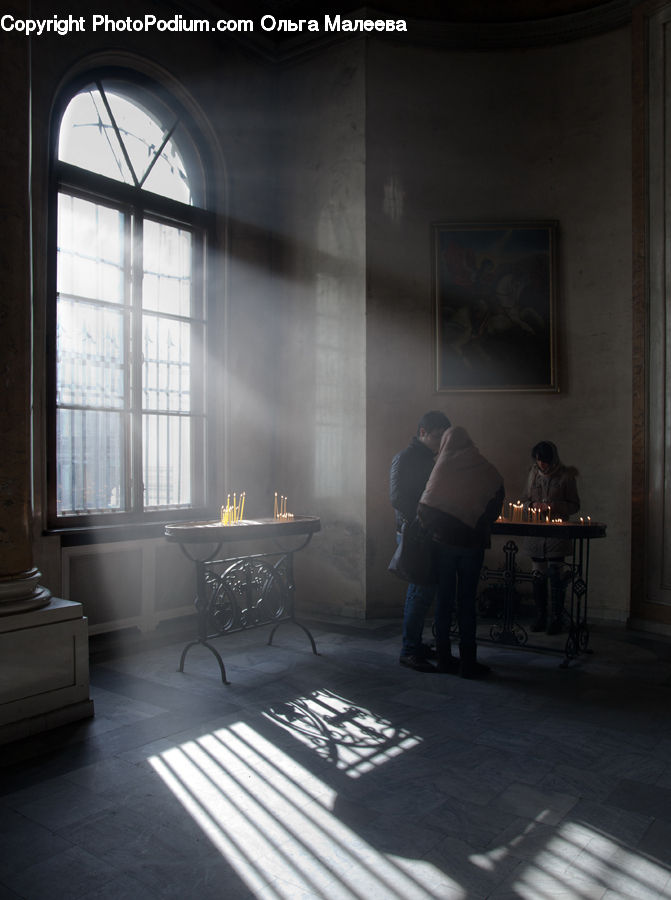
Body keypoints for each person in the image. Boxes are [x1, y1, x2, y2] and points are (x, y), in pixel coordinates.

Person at [417, 426, 504, 679]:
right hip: (473, 545)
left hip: (443, 545)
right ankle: (468, 661)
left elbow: (425, 507)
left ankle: (444, 658)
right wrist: (475, 522)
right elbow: (495, 502)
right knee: (467, 603)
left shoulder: (442, 468)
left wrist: (439, 530)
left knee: (444, 601)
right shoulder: (485, 469)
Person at [390, 410, 451, 672]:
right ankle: (409, 650)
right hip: (415, 532)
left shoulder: (428, 457)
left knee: (424, 593)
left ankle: (415, 643)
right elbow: (397, 498)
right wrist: (421, 520)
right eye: (438, 436)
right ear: (423, 432)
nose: (441, 442)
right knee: (420, 592)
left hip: (428, 531)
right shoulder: (405, 458)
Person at [523, 441, 580, 634]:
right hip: (537, 533)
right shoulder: (532, 475)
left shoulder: (566, 476)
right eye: (539, 461)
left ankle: (556, 617)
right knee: (538, 575)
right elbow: (525, 500)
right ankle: (540, 616)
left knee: (556, 575)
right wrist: (532, 506)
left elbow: (574, 505)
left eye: (545, 461)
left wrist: (553, 506)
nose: (542, 465)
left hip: (557, 532)